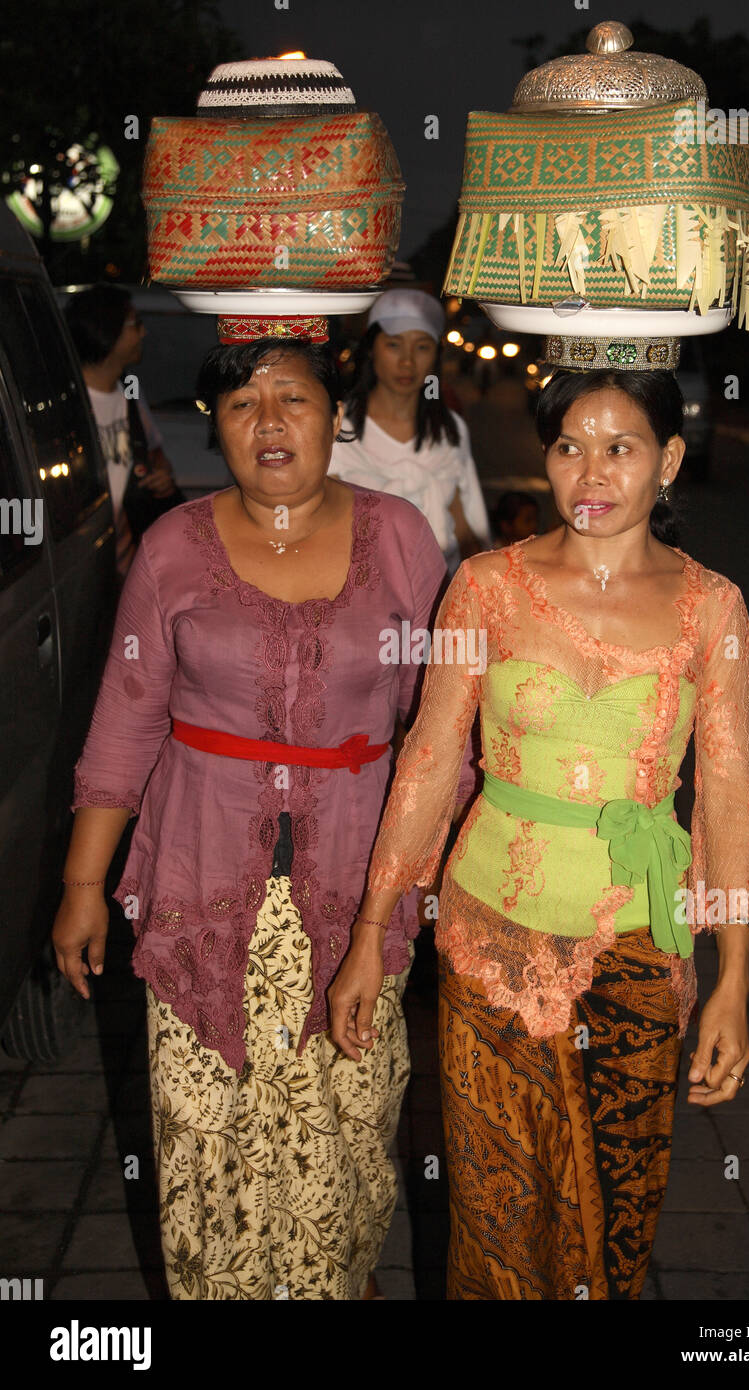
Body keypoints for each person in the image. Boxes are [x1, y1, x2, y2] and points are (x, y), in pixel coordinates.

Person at [329, 365, 749, 1300]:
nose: (592, 472)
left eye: (622, 447)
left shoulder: (713, 606)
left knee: (615, 1216)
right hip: (492, 934)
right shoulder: (486, 587)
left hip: (641, 947)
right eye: (570, 447)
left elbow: (732, 794)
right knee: (494, 1213)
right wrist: (373, 932)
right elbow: (430, 763)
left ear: (670, 460)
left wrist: (735, 978)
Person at [51, 336, 453, 1301]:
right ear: (214, 428)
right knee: (205, 1146)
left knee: (342, 1143)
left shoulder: (398, 538)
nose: (269, 423)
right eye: (242, 405)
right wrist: (80, 886)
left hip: (355, 903)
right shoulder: (173, 545)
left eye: (295, 400)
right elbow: (127, 716)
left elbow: (444, 727)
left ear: (337, 416)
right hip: (199, 892)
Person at [329, 288, 492, 574]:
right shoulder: (338, 430)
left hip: (441, 590)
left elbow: (467, 525)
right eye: (394, 345)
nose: (407, 361)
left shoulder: (449, 431)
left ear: (436, 356)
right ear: (371, 348)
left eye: (422, 346)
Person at [65, 284, 184, 579]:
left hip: (124, 565)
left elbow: (154, 454)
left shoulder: (130, 393)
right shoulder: (66, 403)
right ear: (106, 330)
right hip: (79, 568)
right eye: (136, 324)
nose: (143, 333)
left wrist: (161, 477)